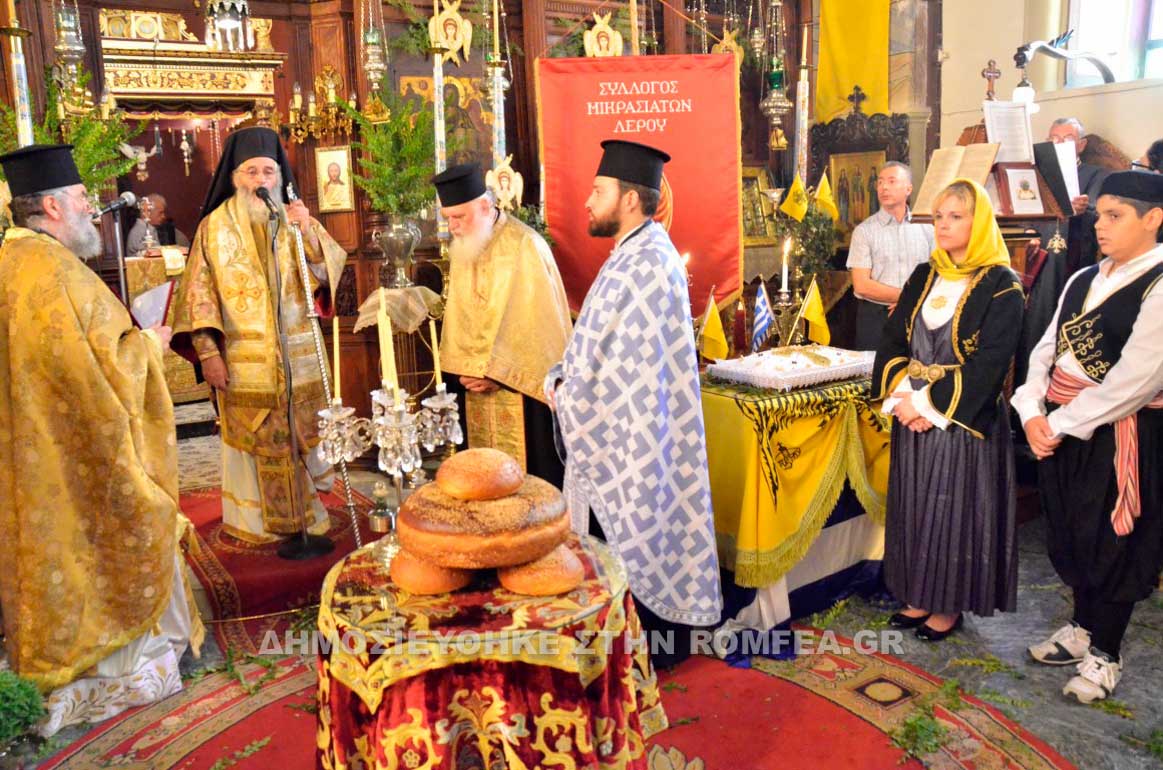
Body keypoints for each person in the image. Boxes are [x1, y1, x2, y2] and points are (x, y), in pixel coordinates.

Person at [0, 144, 201, 735]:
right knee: (121, 528)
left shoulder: (11, 262)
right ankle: (116, 671)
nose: (92, 208)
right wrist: (151, 346)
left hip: (31, 450)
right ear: (52, 207)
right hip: (78, 453)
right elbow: (105, 373)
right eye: (82, 198)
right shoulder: (56, 271)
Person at [546, 140, 722, 668]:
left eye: (597, 191)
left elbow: (624, 370)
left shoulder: (644, 263)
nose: (587, 201)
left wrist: (564, 389)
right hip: (628, 429)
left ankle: (640, 650)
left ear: (628, 199)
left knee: (634, 534)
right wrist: (567, 377)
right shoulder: (635, 253)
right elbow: (603, 349)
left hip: (632, 435)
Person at [1012, 172, 1163, 704]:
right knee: (1073, 529)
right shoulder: (1082, 278)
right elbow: (1044, 351)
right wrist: (1031, 410)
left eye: (1115, 216)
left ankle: (1106, 652)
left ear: (1154, 218)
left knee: (1116, 540)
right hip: (1061, 425)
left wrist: (1054, 424)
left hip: (1122, 432)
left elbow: (1135, 382)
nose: (1100, 226)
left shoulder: (1158, 285)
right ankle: (1080, 628)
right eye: (1099, 215)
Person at [171, 127, 348, 543]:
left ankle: (306, 516)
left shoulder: (295, 219)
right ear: (236, 177)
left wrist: (308, 230)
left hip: (298, 356)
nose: (261, 180)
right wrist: (208, 354)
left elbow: (328, 275)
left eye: (268, 171)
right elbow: (197, 296)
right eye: (251, 172)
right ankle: (254, 523)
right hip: (243, 362)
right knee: (255, 435)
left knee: (300, 434)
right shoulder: (214, 227)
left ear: (278, 176)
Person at [871, 179, 1023, 642]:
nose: (943, 225)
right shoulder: (924, 274)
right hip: (910, 411)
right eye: (938, 216)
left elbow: (992, 362)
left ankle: (948, 603)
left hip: (961, 418)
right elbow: (893, 339)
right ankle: (918, 594)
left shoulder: (1002, 285)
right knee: (915, 505)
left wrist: (927, 404)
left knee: (953, 511)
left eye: (956, 216)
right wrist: (902, 397)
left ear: (980, 222)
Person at [433, 163, 572, 486]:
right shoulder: (465, 247)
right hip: (472, 389)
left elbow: (542, 330)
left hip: (522, 396)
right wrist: (462, 372)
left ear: (485, 206)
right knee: (478, 481)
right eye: (448, 218)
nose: (452, 227)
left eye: (459, 217)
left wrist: (496, 374)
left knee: (530, 487)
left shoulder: (526, 245)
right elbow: (460, 323)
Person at [847, 162, 936, 350]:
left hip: (920, 315)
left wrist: (911, 303)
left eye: (891, 181)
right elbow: (861, 285)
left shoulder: (927, 227)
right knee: (875, 368)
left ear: (908, 189)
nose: (884, 187)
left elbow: (938, 275)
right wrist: (907, 298)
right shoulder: (864, 231)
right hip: (877, 317)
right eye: (880, 182)